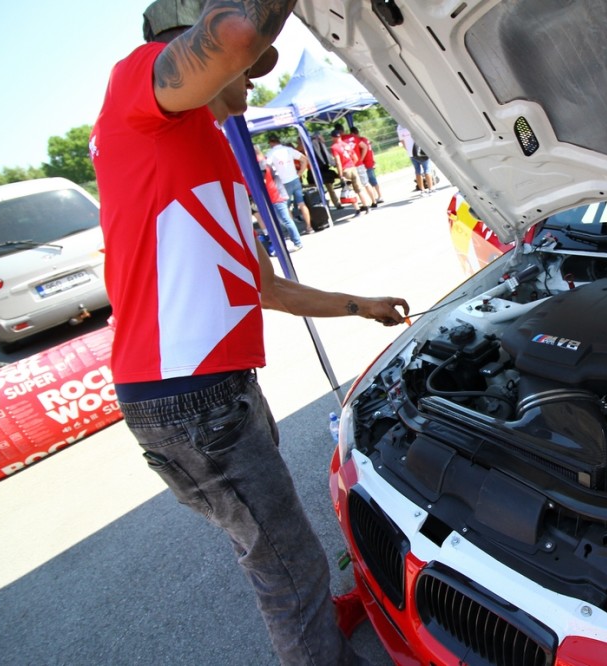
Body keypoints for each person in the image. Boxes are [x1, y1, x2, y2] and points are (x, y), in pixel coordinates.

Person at [89, 1, 409, 664]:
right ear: (182, 37)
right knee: (291, 578)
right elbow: (236, 38)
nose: (257, 78)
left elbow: (265, 288)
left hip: (211, 396)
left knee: (281, 561)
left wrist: (364, 305)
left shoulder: (201, 150)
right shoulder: (135, 86)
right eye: (248, 70)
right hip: (193, 400)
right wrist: (236, 36)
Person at [256, 145, 303, 252]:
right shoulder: (265, 163)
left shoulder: (262, 165)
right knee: (283, 220)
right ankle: (294, 241)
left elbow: (264, 181)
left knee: (285, 220)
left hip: (275, 196)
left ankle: (297, 242)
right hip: (276, 195)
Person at [266, 133, 314, 234]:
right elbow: (305, 159)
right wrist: (300, 173)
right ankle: (309, 227)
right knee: (301, 203)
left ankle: (295, 230)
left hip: (283, 182)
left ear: (270, 143)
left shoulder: (270, 153)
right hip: (295, 179)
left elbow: (266, 168)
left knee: (287, 207)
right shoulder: (288, 149)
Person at [329, 128, 371, 215]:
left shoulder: (334, 147)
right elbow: (355, 157)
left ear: (332, 137)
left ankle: (357, 210)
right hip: (353, 167)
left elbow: (338, 162)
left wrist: (340, 174)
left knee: (350, 190)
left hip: (345, 170)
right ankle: (366, 206)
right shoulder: (346, 144)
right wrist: (352, 165)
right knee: (359, 189)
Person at [350, 124, 382, 205]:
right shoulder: (364, 139)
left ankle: (378, 196)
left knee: (370, 181)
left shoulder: (358, 141)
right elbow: (371, 150)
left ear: (353, 134)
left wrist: (361, 159)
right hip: (370, 161)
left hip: (366, 163)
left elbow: (365, 149)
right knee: (371, 180)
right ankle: (376, 196)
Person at [396, 124, 434, 195]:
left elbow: (402, 141)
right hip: (421, 151)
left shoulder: (399, 127)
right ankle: (430, 188)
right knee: (427, 169)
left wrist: (408, 150)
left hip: (411, 153)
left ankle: (422, 190)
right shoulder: (411, 122)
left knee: (417, 171)